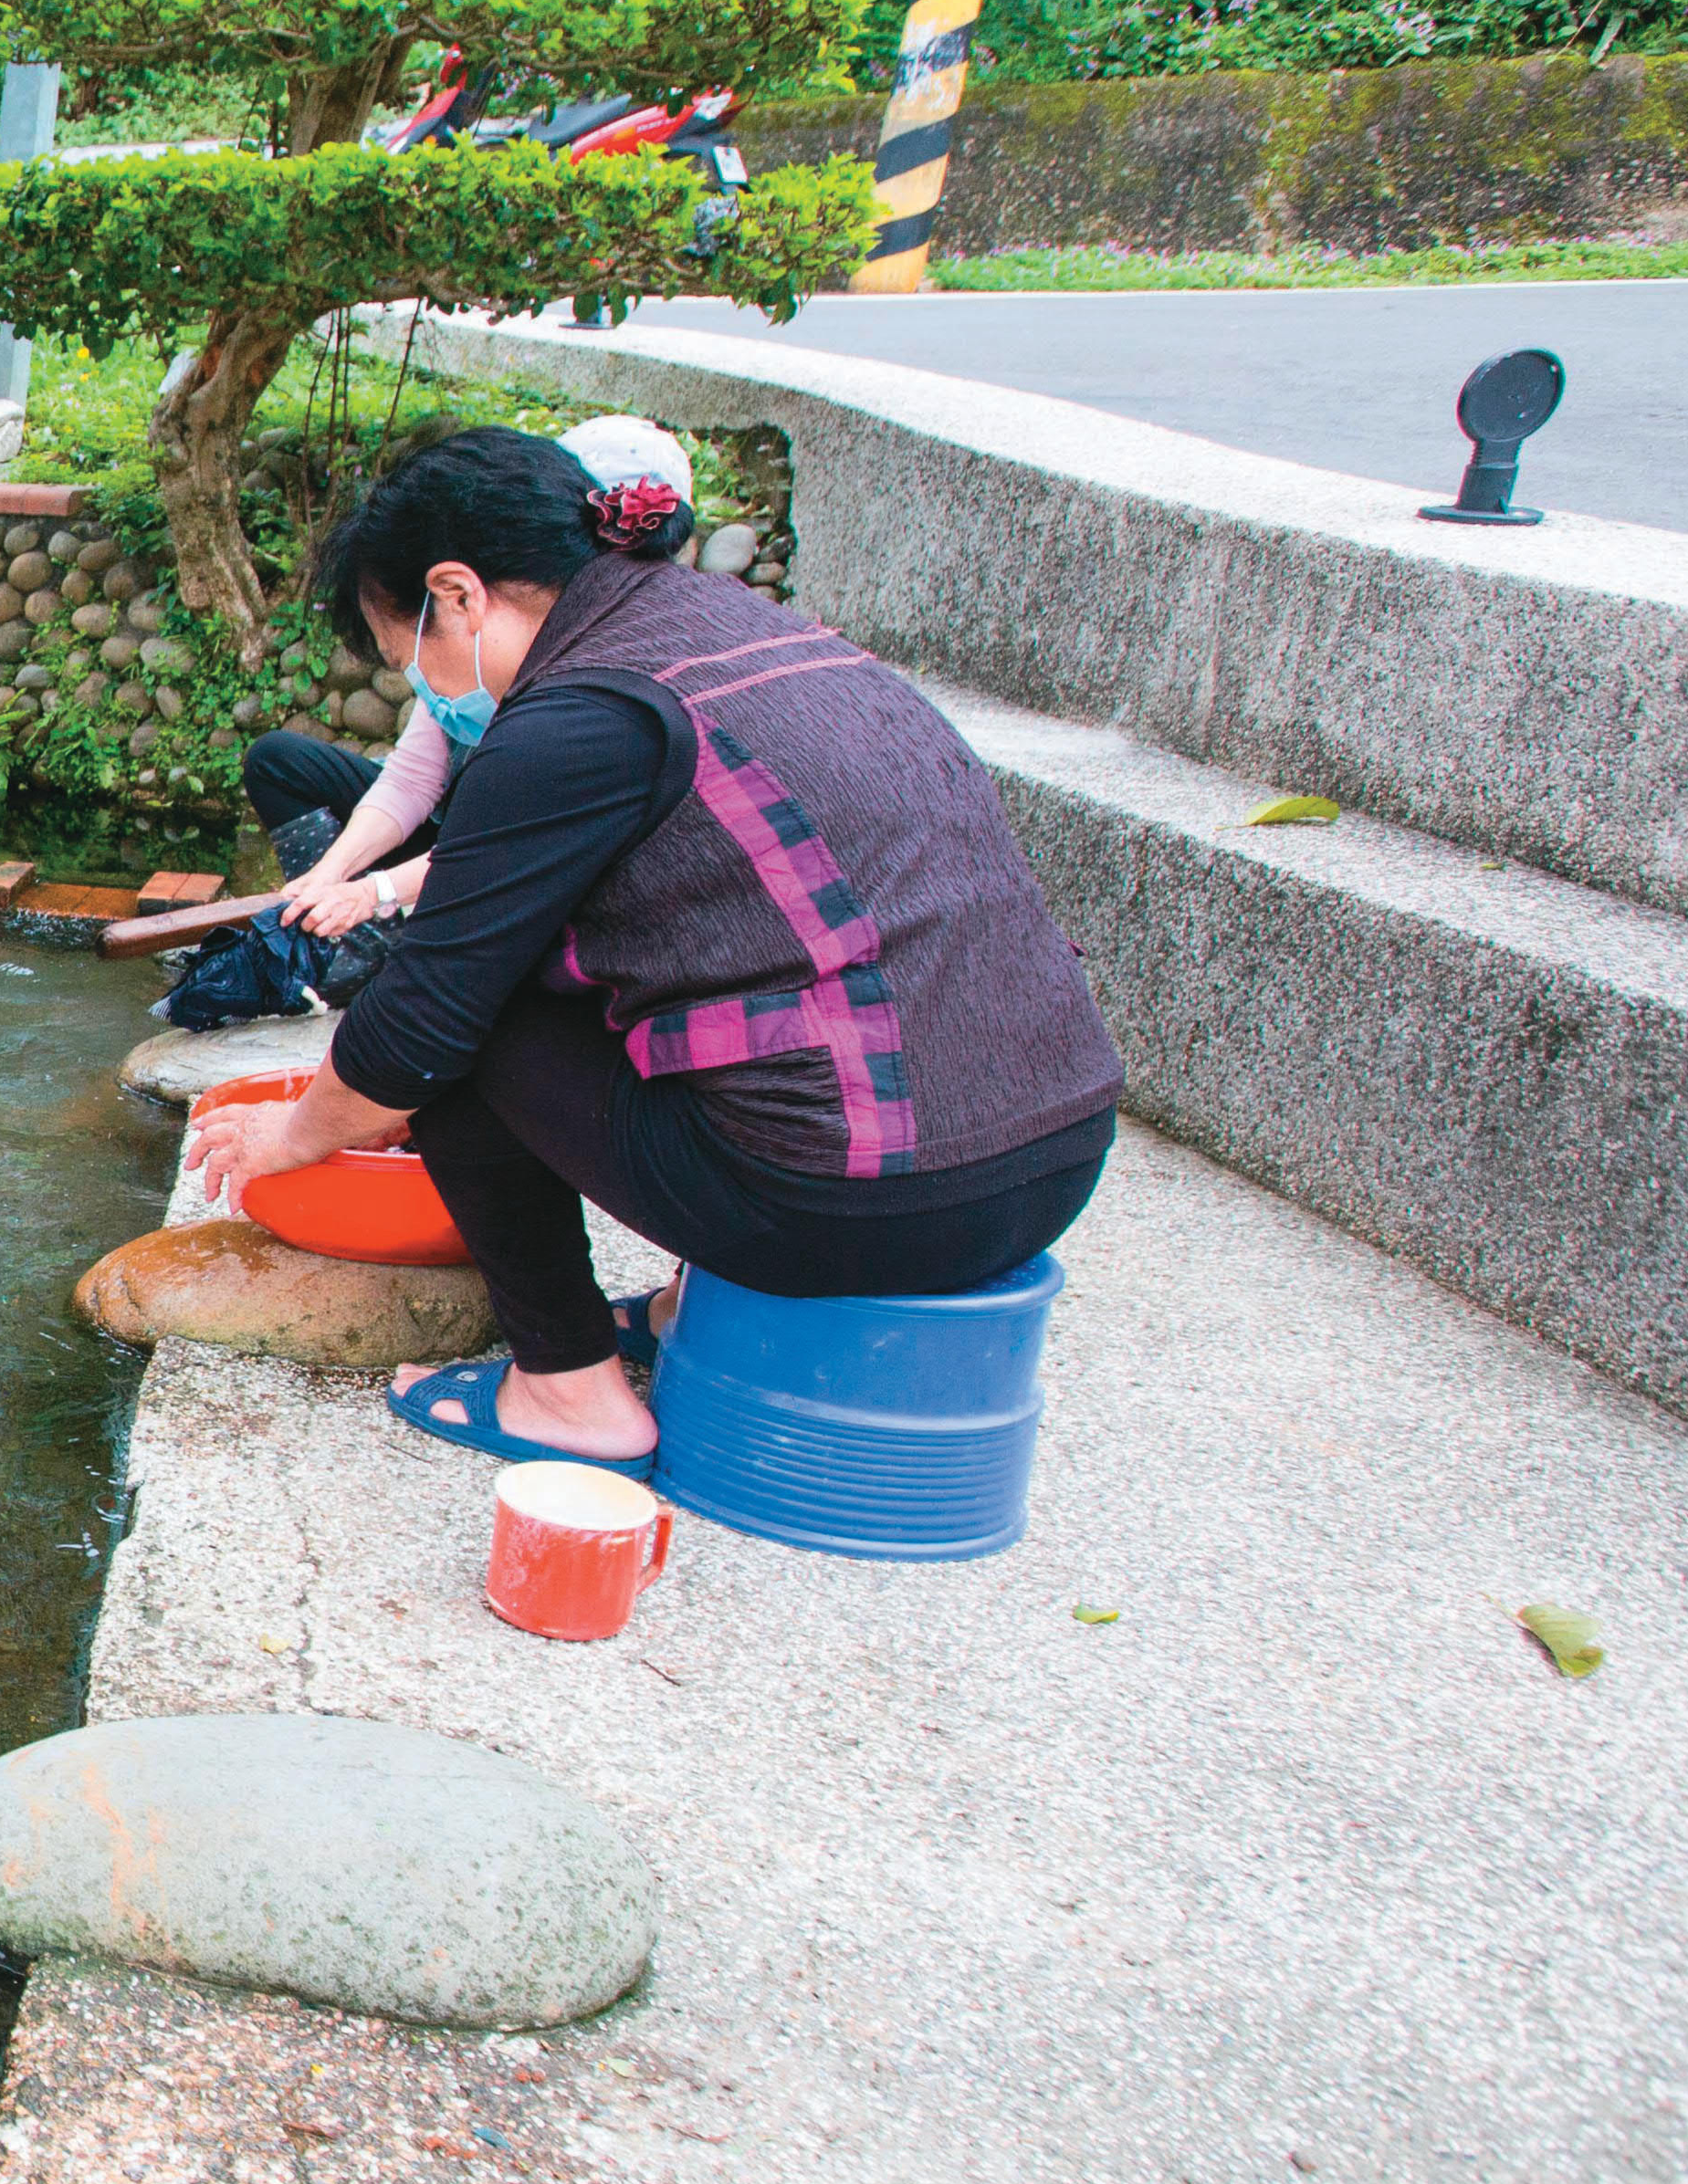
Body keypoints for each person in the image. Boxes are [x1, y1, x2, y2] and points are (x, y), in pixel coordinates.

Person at [183, 422, 1125, 1473]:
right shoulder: (746, 630)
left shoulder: (576, 715)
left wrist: (296, 1136)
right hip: (1055, 1157)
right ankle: (689, 1304)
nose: (427, 687)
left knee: (459, 1027)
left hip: (866, 1204)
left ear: (458, 594)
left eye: (414, 653)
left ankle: (566, 1389)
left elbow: (424, 1022)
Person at [170, 415, 708, 1034]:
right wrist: (332, 875)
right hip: (474, 839)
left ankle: (374, 949)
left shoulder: (584, 701)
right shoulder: (494, 640)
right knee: (280, 759)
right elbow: (413, 778)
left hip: (544, 889)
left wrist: (372, 894)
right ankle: (349, 944)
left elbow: (503, 848)